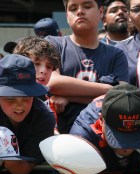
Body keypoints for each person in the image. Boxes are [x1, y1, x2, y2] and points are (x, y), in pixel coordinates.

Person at [46, 0, 129, 134]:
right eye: (73, 8)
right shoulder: (54, 44)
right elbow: (53, 83)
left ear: (101, 12)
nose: (80, 11)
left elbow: (121, 98)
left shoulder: (116, 54)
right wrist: (109, 89)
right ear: (67, 16)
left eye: (87, 6)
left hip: (104, 137)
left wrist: (68, 97)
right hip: (60, 136)